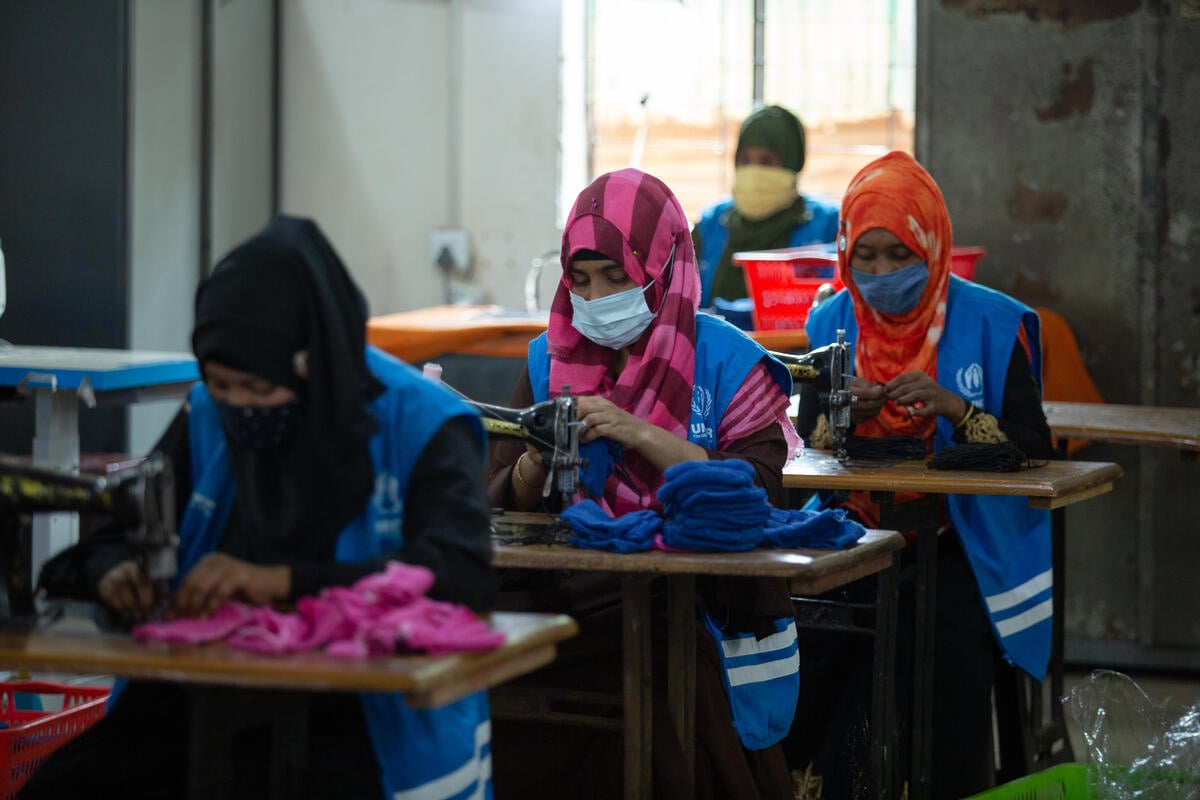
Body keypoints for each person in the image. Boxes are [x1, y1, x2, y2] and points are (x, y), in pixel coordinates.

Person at [23, 216, 497, 800]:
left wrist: (281, 581)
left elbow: (461, 575)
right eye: (222, 387)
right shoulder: (209, 414)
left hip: (368, 717)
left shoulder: (421, 423)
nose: (238, 408)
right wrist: (113, 571)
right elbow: (120, 531)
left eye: (257, 390)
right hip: (212, 694)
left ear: (310, 362)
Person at [487, 168, 802, 799]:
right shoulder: (549, 360)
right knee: (487, 652)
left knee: (661, 660)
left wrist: (639, 433)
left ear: (663, 268)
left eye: (615, 277)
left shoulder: (726, 360)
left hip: (697, 603)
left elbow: (766, 494)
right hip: (580, 596)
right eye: (579, 280)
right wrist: (535, 464)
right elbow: (498, 495)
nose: (595, 298)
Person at [788, 151, 1055, 799]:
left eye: (899, 255)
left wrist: (956, 409)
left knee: (937, 644)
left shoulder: (992, 323)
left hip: (961, 538)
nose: (881, 274)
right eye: (865, 256)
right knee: (812, 636)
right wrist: (843, 416)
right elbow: (809, 444)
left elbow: (1033, 447)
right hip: (858, 534)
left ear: (932, 246)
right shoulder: (831, 323)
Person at [692, 104, 839, 309]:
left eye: (766, 162)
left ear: (791, 163)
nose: (753, 172)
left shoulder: (827, 226)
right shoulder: (712, 224)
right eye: (744, 160)